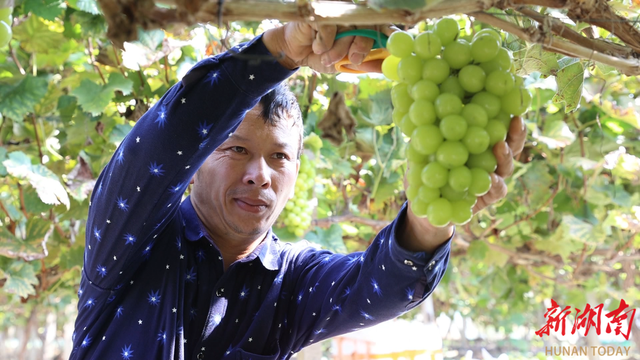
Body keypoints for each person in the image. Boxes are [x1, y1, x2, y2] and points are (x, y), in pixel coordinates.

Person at [70, 21, 526, 360]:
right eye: (236, 149)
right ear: (195, 162)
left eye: (279, 157)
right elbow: (167, 139)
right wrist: (279, 52)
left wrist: (430, 218)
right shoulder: (130, 242)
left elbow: (379, 286)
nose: (259, 174)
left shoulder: (291, 281)